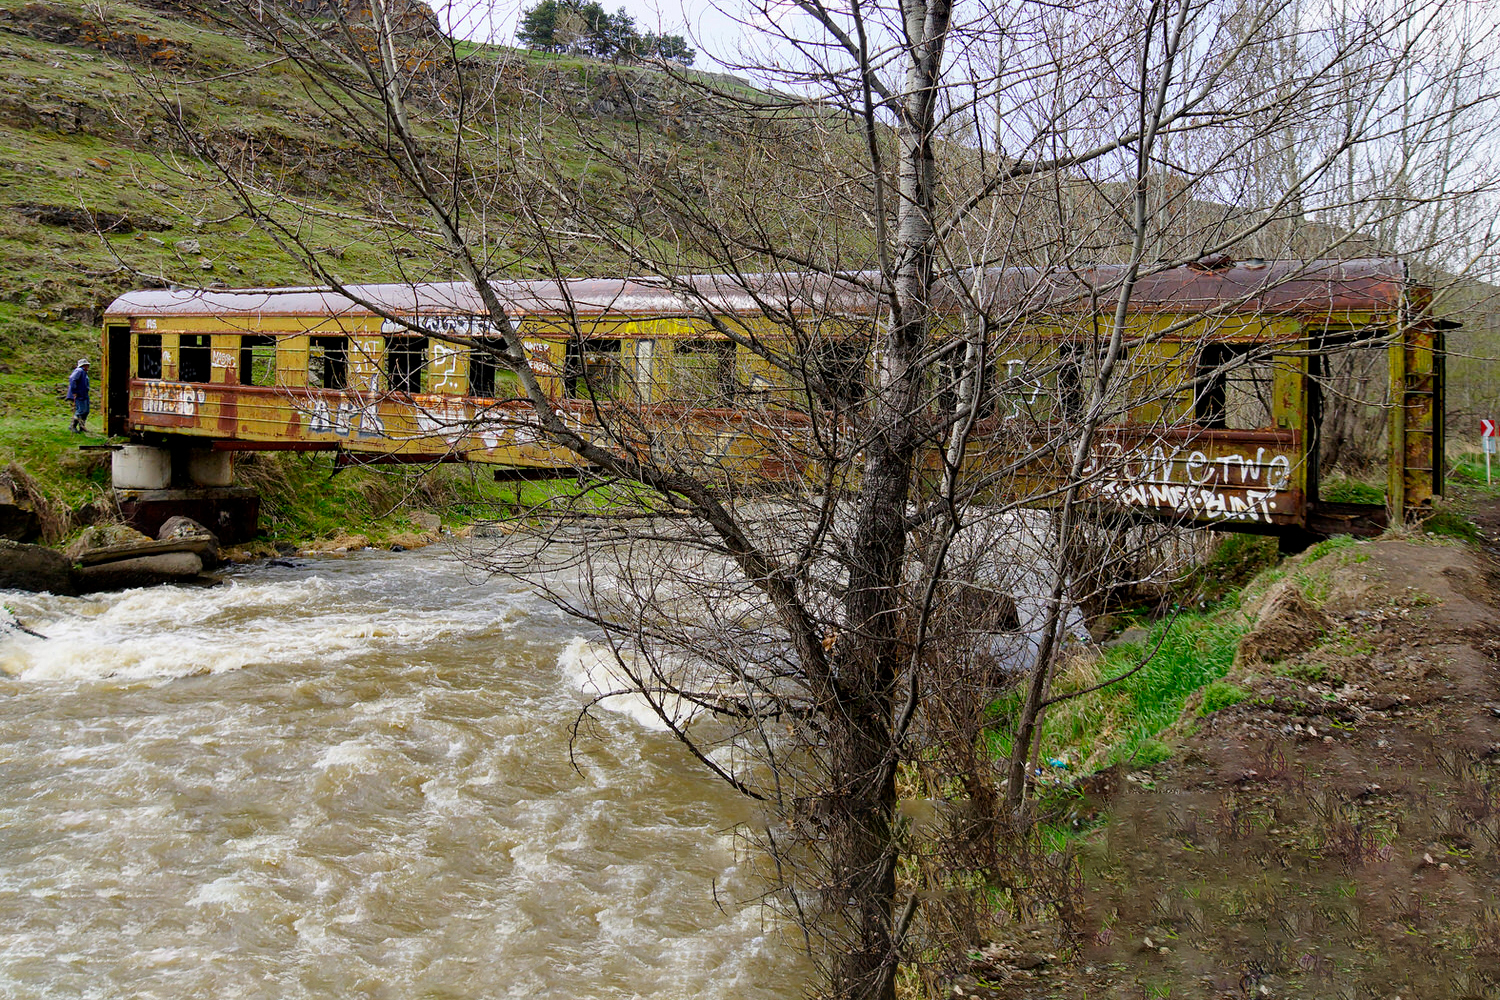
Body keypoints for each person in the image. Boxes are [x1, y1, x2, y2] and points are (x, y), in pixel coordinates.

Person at [66, 358, 90, 433]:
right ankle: (72, 426)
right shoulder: (79, 371)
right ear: (84, 365)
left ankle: (82, 426)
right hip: (79, 394)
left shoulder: (84, 373)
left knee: (86, 411)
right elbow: (72, 379)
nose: (88, 367)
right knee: (81, 410)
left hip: (84, 394)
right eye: (87, 365)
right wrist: (74, 391)